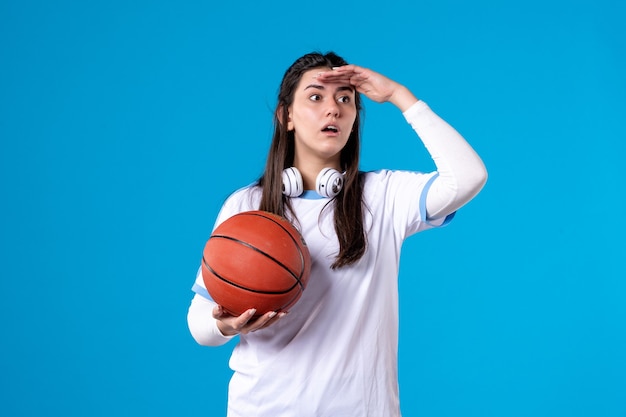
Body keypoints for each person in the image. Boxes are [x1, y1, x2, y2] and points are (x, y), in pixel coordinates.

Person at [187, 51, 487, 416]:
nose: (334, 109)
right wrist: (224, 323)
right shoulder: (247, 204)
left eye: (345, 99)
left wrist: (399, 96)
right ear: (287, 117)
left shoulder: (384, 195)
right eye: (316, 97)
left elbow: (469, 176)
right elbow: (200, 325)